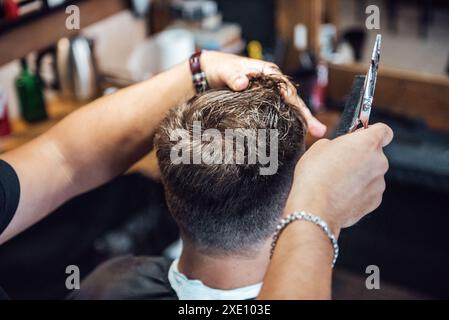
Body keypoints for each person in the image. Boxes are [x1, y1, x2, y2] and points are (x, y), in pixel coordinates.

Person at [0, 51, 392, 299]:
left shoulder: (103, 285)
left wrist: (198, 69)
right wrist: (317, 212)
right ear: (292, 189)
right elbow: (61, 158)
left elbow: (64, 158)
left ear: (170, 190)